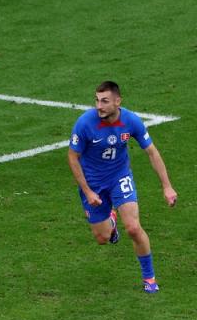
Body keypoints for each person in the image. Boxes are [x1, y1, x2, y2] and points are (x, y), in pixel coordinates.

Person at [67, 81, 177, 293]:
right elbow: (72, 157)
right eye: (97, 100)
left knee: (134, 228)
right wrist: (88, 191)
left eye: (105, 101)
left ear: (118, 101)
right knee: (102, 238)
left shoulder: (131, 121)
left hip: (119, 176)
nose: (99, 106)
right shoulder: (84, 124)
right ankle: (111, 220)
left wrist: (167, 187)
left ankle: (150, 278)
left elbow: (152, 152)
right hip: (93, 183)